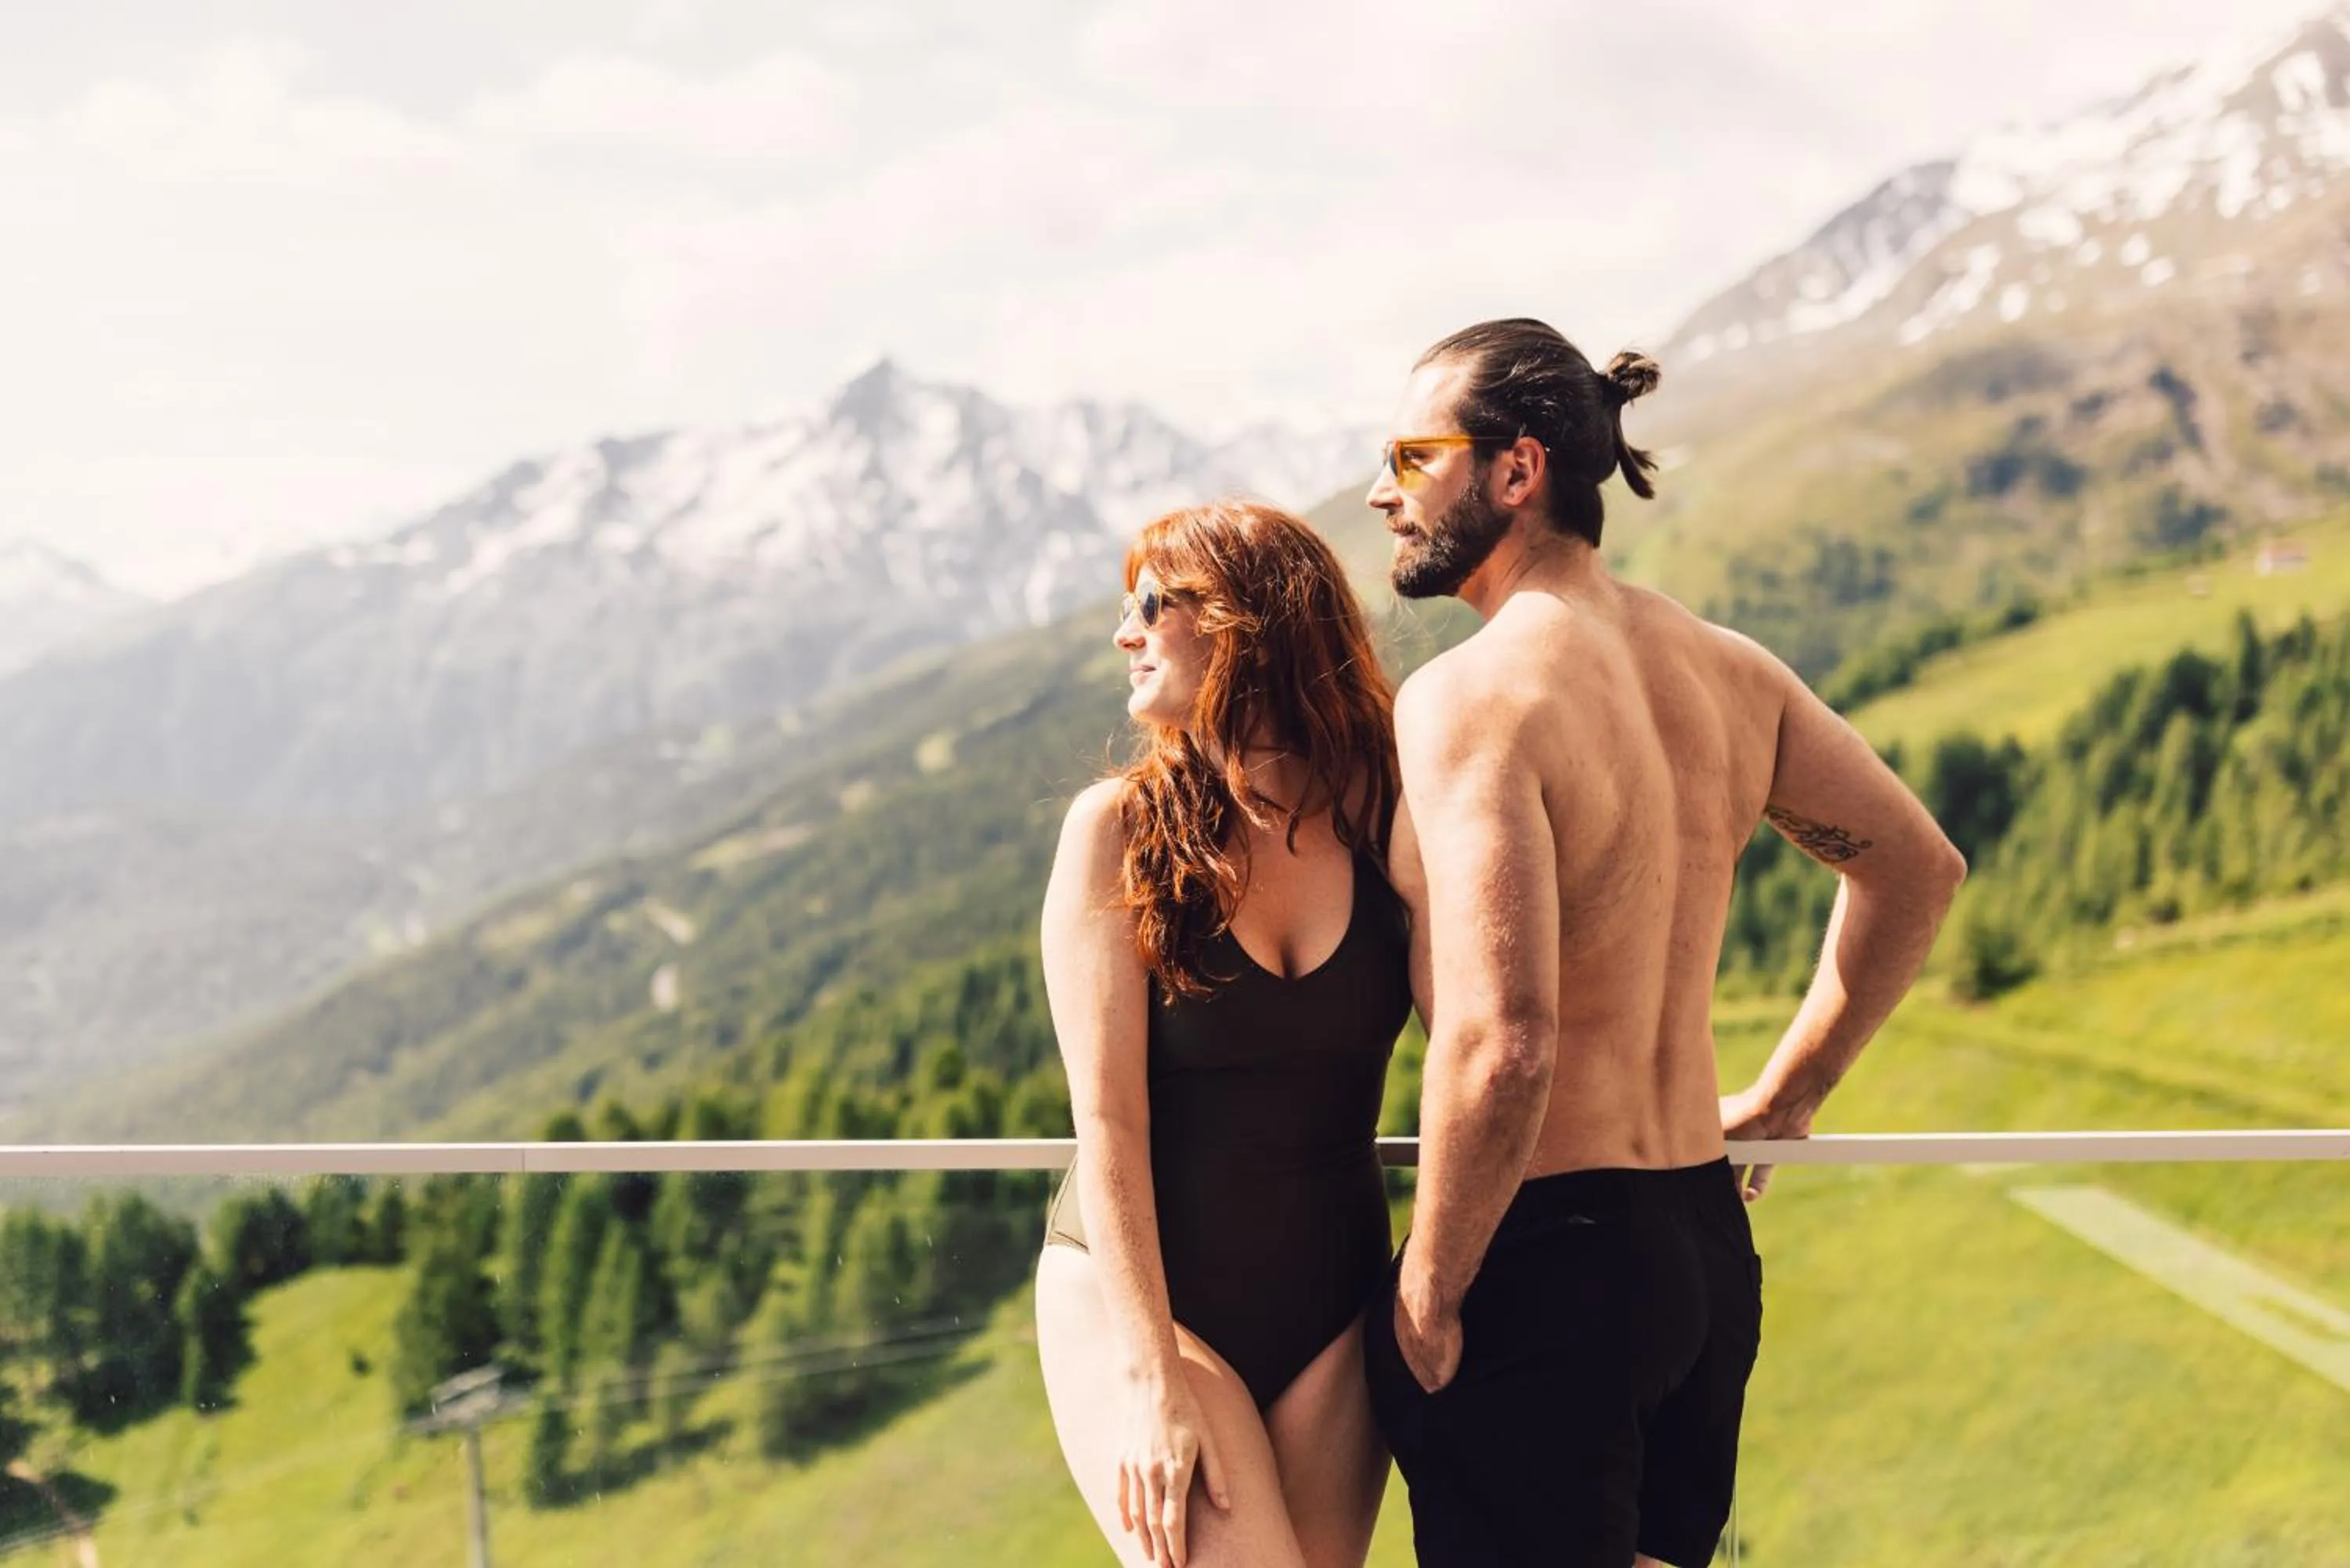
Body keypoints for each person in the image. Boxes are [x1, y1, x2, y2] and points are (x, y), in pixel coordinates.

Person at [1358, 318, 1969, 1568]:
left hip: (1547, 1258)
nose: (1381, 491)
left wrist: (1430, 1284)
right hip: (1700, 1244)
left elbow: (1505, 1043)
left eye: (1411, 457)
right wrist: (1791, 1094)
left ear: (1517, 470)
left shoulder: (1470, 694)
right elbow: (1918, 868)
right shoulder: (1729, 672)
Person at [1034, 500, 1411, 1568]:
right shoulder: (1116, 831)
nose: (1126, 634)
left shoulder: (1387, 810)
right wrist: (1149, 1376)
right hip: (1144, 1302)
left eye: (1152, 602)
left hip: (1336, 1305)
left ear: (1248, 619)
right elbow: (1108, 1120)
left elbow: (1499, 1014)